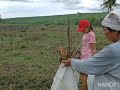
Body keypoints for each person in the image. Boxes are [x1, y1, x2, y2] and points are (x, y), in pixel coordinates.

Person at [62, 9, 120, 90]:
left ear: (116, 31)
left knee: (87, 78)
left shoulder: (112, 50)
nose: (104, 33)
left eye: (105, 30)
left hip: (112, 85)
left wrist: (71, 61)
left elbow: (89, 66)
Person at [77, 19, 97, 90]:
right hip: (83, 57)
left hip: (88, 58)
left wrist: (94, 60)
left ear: (88, 27)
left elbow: (93, 48)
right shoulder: (86, 34)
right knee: (83, 79)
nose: (82, 31)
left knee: (87, 79)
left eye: (83, 29)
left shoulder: (91, 34)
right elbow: (84, 46)